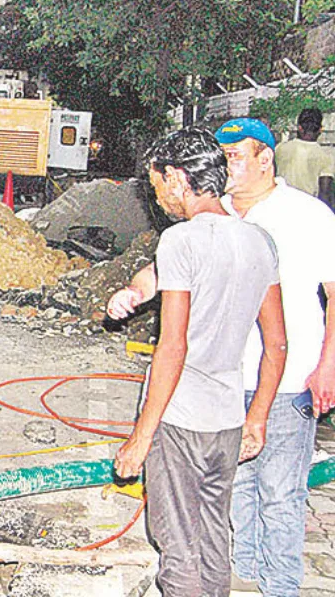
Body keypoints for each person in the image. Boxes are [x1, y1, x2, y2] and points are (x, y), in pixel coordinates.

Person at [110, 117, 335, 596]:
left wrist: (140, 438)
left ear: (177, 178)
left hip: (182, 418)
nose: (158, 200)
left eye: (158, 186)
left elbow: (173, 346)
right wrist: (255, 417)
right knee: (215, 533)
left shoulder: (183, 240)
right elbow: (277, 343)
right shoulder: (257, 239)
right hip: (229, 417)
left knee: (179, 544)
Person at [273, 107, 333, 206]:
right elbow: (325, 193)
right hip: (307, 208)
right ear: (320, 129)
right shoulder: (325, 156)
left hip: (279, 204)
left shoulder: (280, 148)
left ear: (299, 127)